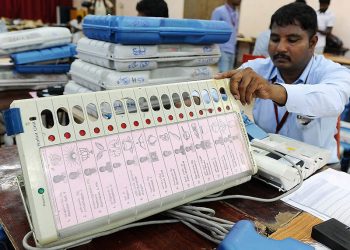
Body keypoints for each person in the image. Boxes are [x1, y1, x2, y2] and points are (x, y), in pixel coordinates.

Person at [215, 2, 350, 163]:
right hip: (265, 162)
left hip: (317, 168)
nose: (280, 48)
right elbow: (216, 95)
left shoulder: (333, 72)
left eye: (292, 40)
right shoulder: (256, 69)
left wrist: (274, 91)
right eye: (275, 39)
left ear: (312, 43)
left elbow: (333, 99)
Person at [211, 0, 241, 72]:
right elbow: (212, 30)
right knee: (223, 77)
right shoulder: (219, 11)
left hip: (232, 50)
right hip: (222, 49)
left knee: (229, 77)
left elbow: (232, 28)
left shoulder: (236, 13)